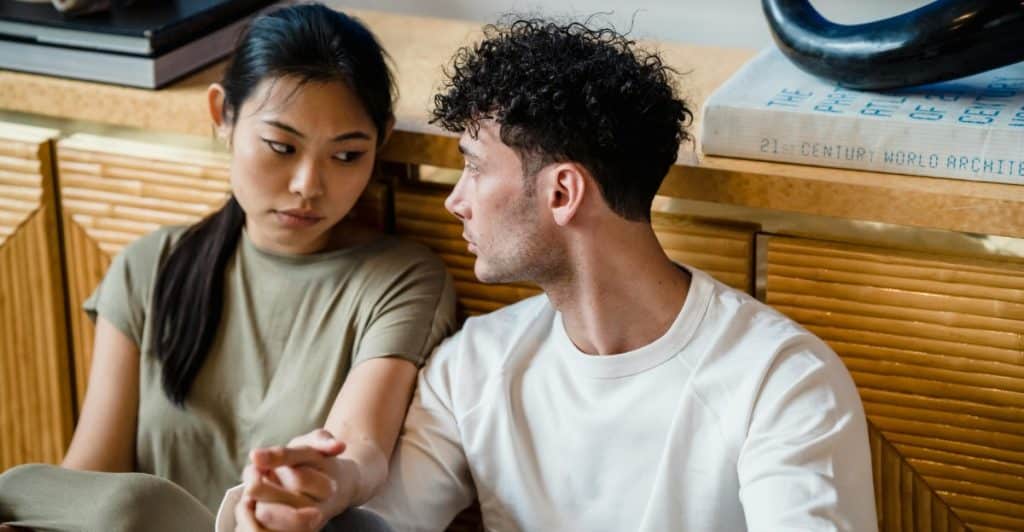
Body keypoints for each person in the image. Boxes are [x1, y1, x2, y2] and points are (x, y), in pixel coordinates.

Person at [354, 18, 877, 531]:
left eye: (474, 167)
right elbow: (380, 521)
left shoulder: (780, 381)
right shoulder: (472, 366)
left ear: (562, 193)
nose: (455, 201)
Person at [0, 4, 455, 532]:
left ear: (381, 140)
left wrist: (326, 483)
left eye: (347, 156)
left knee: (133, 504)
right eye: (281, 146)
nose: (308, 185)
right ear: (223, 116)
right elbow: (85, 481)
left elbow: (361, 447)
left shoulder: (399, 280)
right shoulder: (149, 268)